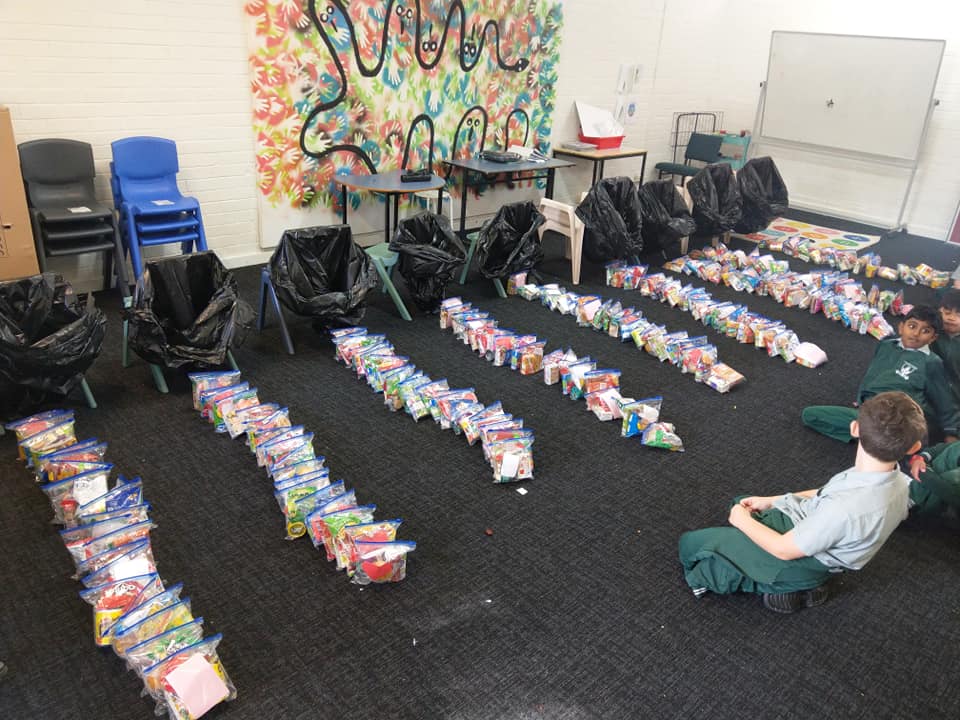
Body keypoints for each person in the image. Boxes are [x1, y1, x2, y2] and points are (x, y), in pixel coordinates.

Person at [679, 392, 925, 613]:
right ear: (914, 447)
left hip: (804, 555)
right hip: (814, 525)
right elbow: (826, 493)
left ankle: (794, 586)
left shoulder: (846, 509)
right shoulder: (900, 482)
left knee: (694, 549)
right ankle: (793, 580)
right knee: (741, 502)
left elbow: (783, 550)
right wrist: (773, 501)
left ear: (854, 428)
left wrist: (740, 520)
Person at [802, 305, 959, 444]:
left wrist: (951, 433)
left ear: (933, 338)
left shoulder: (931, 362)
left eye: (925, 331)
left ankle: (875, 438)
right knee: (810, 415)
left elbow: (944, 400)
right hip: (872, 412)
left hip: (900, 420)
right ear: (901, 327)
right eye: (912, 326)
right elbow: (872, 375)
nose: (916, 334)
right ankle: (878, 440)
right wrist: (861, 399)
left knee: (902, 433)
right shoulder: (886, 345)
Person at [932, 289, 960, 408]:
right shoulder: (933, 331)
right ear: (939, 312)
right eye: (947, 313)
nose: (951, 318)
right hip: (932, 382)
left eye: (958, 315)